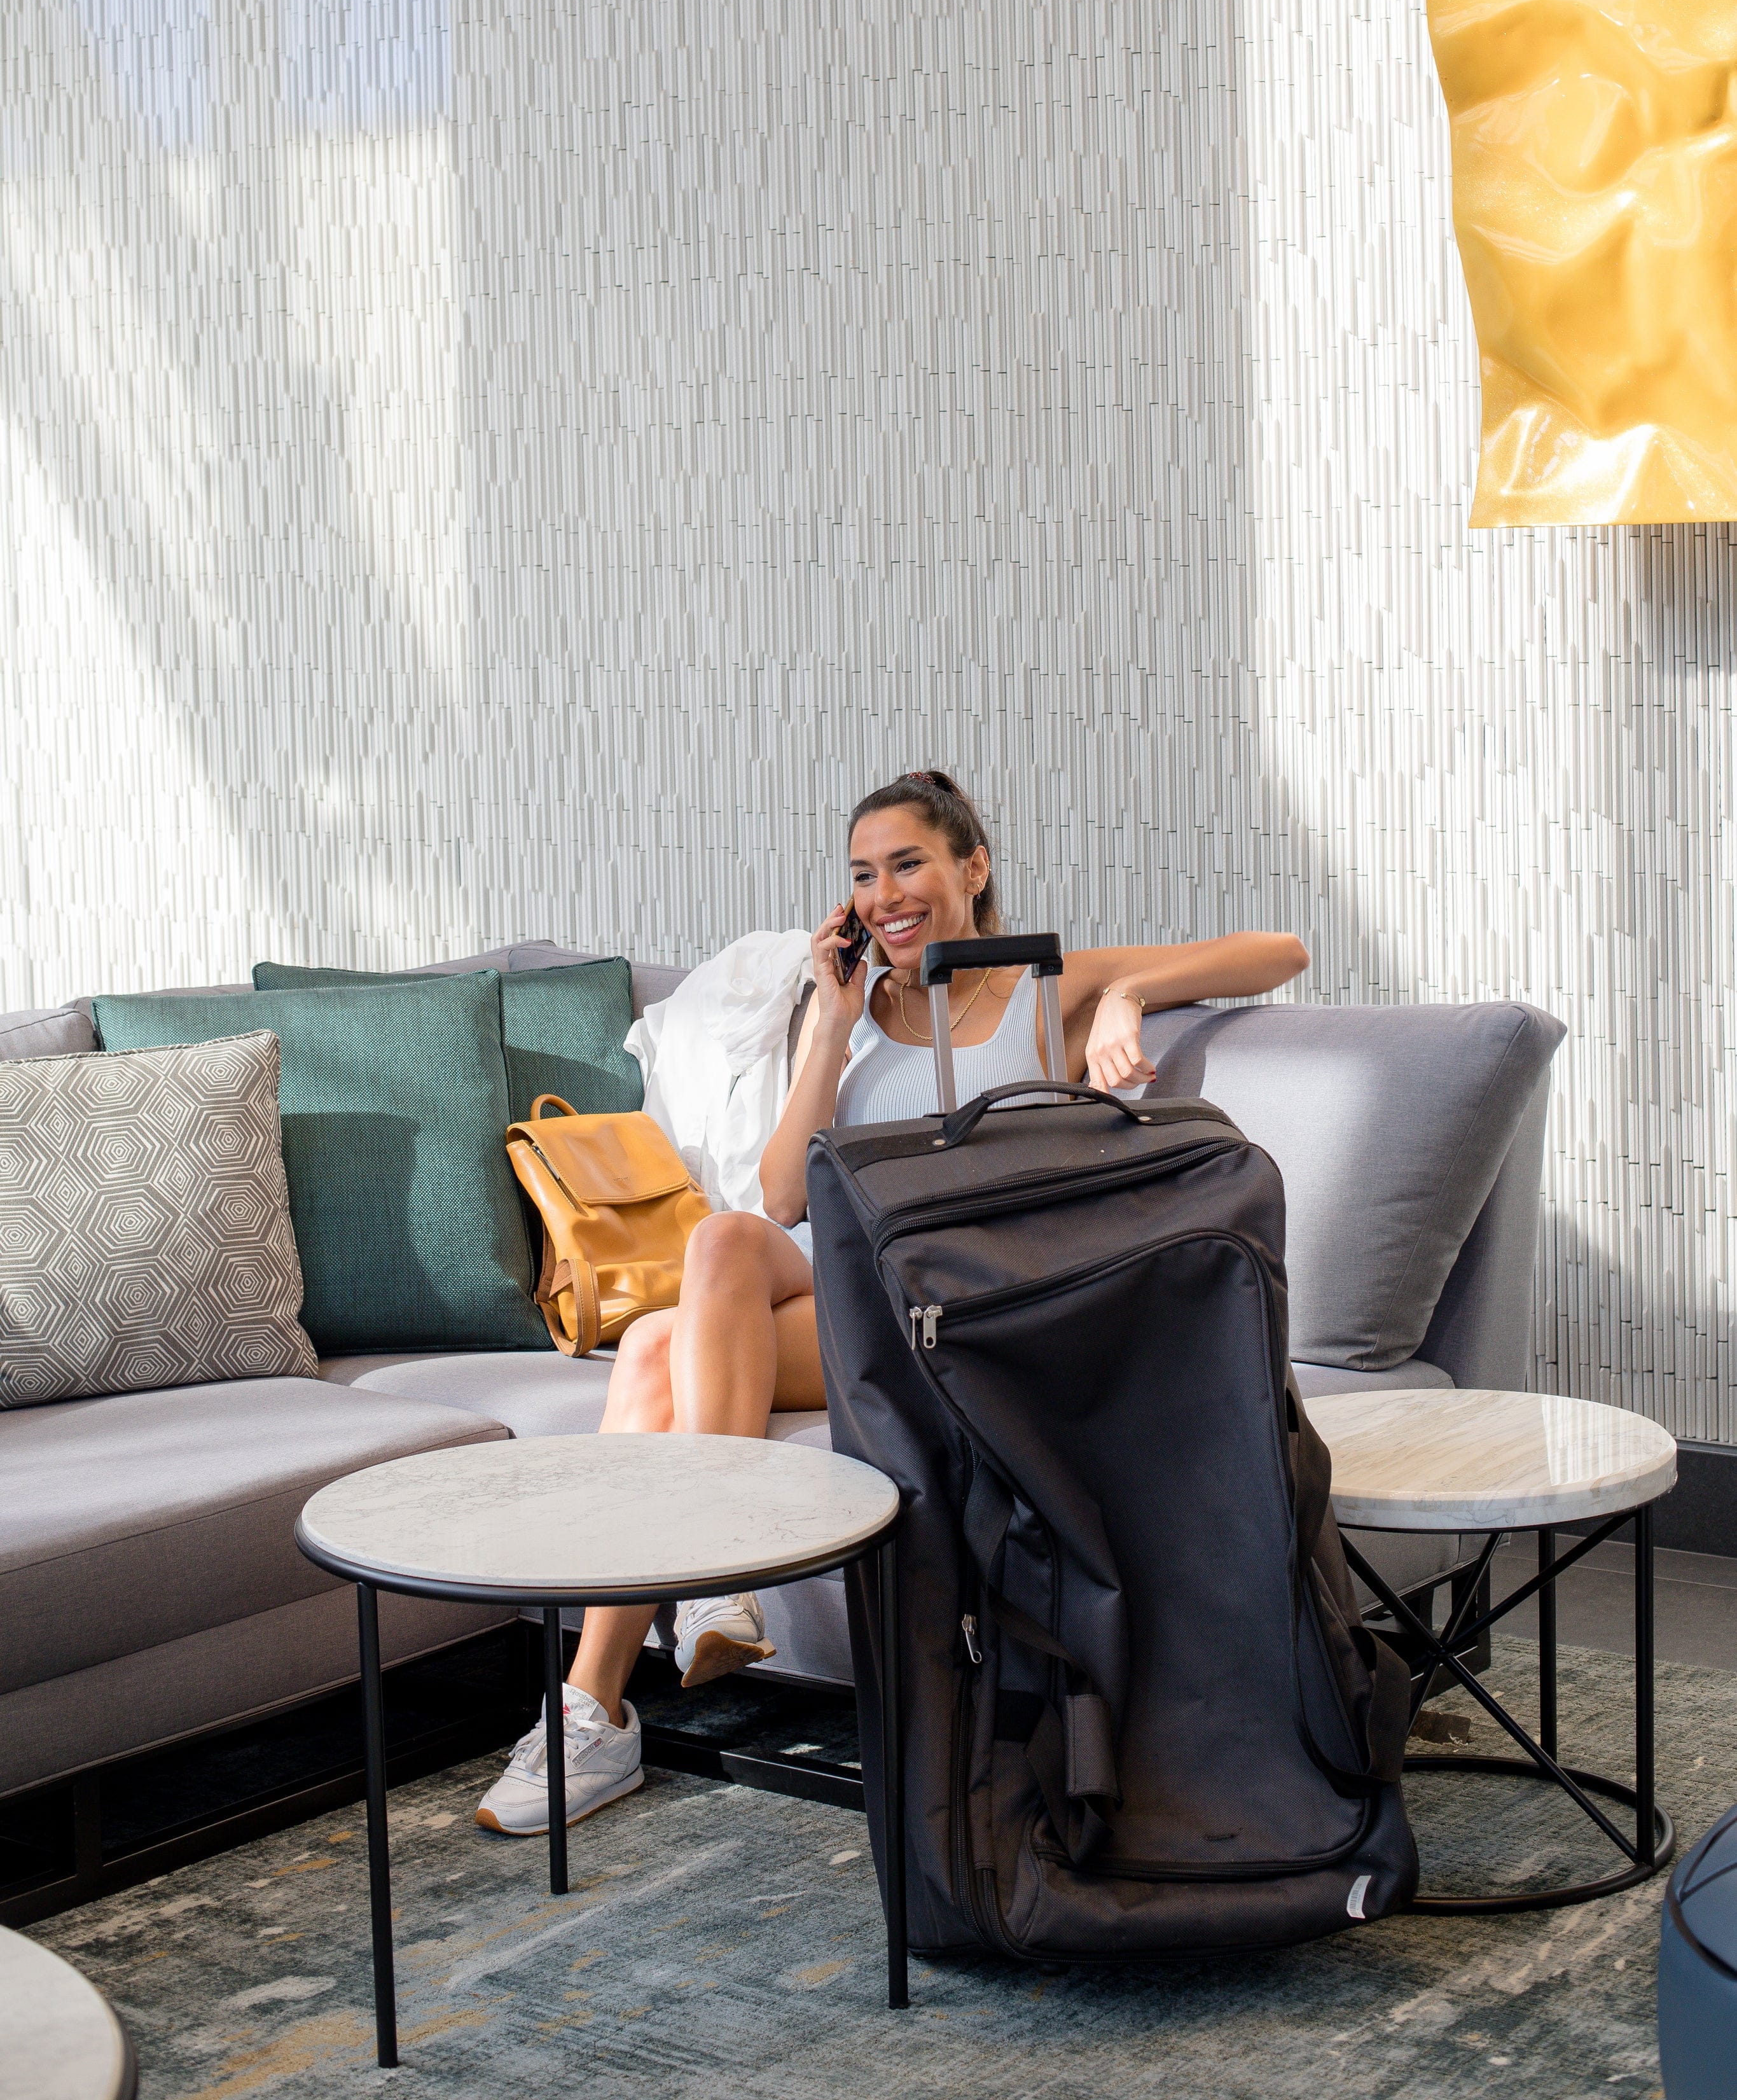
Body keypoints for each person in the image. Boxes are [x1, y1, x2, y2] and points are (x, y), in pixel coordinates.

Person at [476, 769, 1310, 1835]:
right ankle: (619, 1682)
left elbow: (1279, 951)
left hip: (955, 1312)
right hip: (848, 1281)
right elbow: (784, 1197)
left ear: (974, 866)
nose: (885, 894)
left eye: (909, 863)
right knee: (713, 1258)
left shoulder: (1042, 988)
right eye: (864, 875)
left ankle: (639, 1661)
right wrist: (830, 1024)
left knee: (651, 1355)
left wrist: (1132, 995)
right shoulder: (852, 1011)